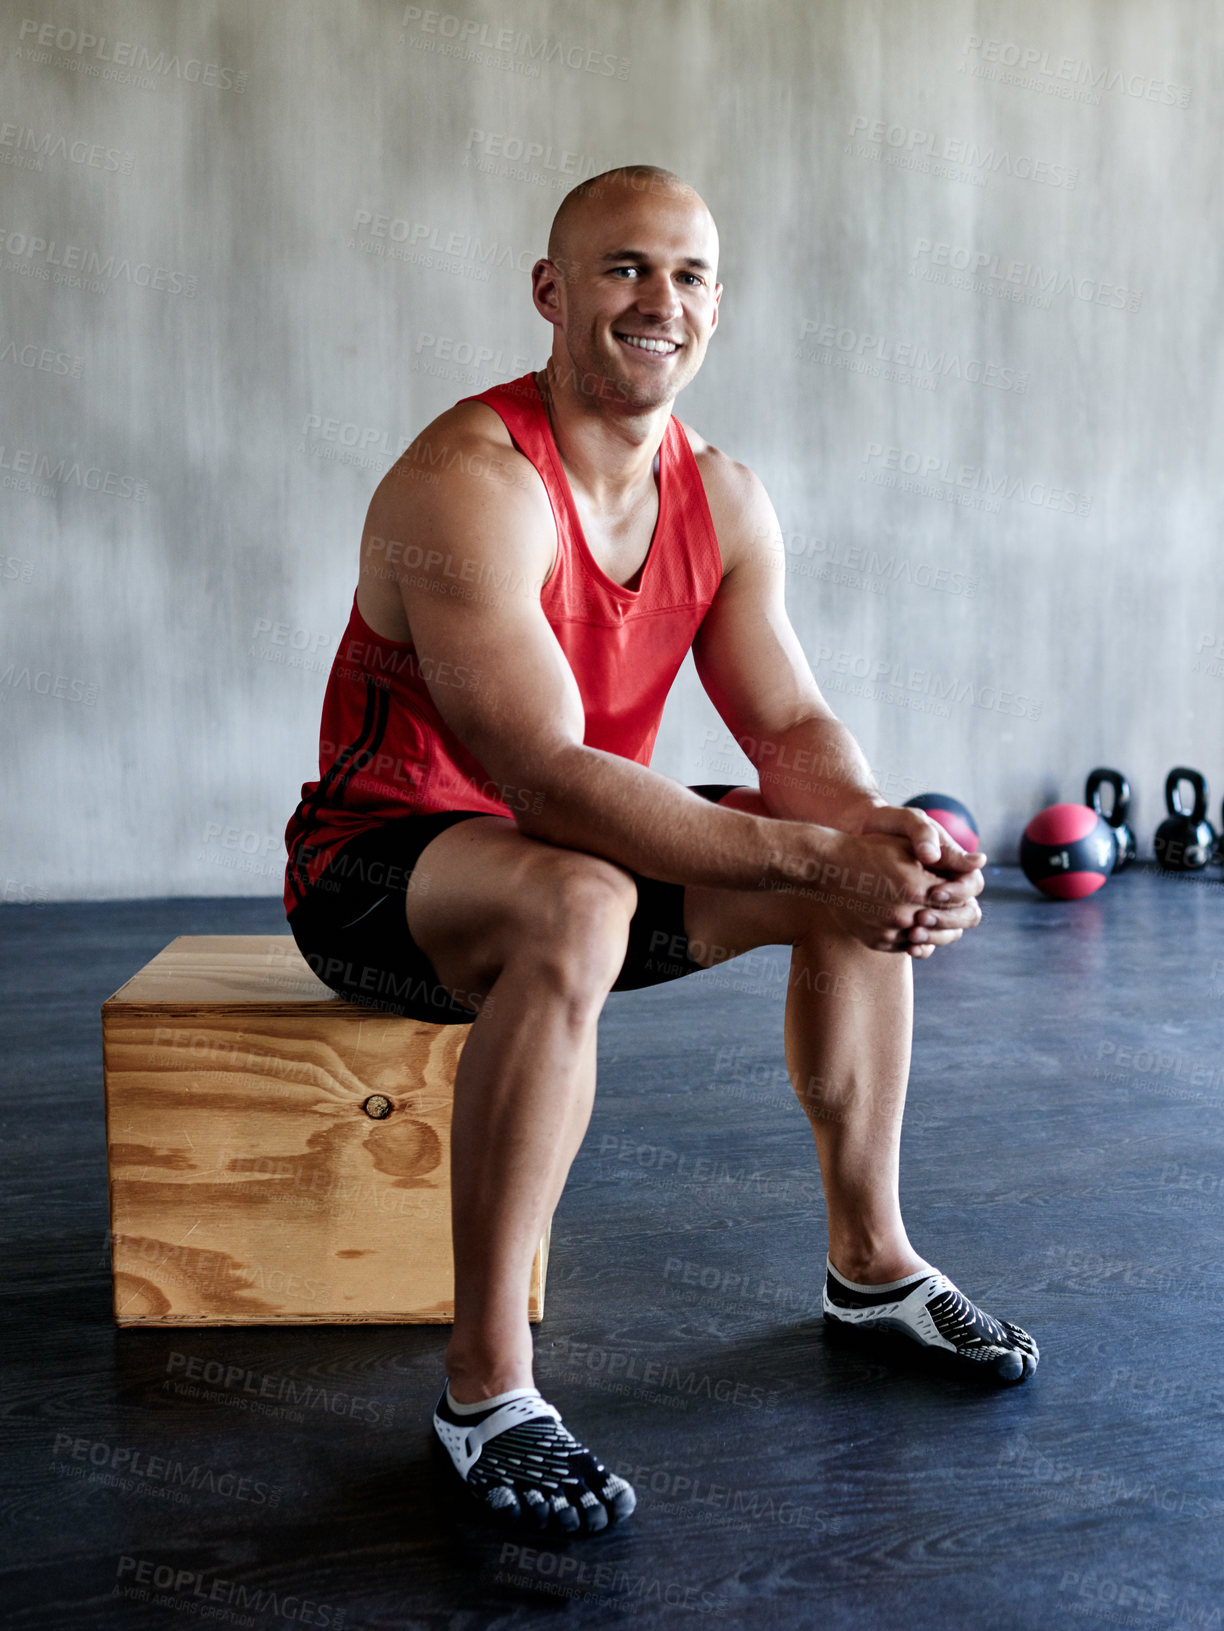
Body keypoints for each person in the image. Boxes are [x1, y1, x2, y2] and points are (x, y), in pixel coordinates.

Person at [282, 163, 1038, 1539]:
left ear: (717, 306)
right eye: (625, 268)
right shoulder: (469, 481)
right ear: (551, 292)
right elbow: (541, 775)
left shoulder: (728, 500)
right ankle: (485, 1391)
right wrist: (813, 858)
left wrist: (887, 848)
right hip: (381, 871)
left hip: (573, 860)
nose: (660, 302)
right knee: (590, 894)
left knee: (851, 853)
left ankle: (871, 1266)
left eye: (690, 276)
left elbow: (792, 721)